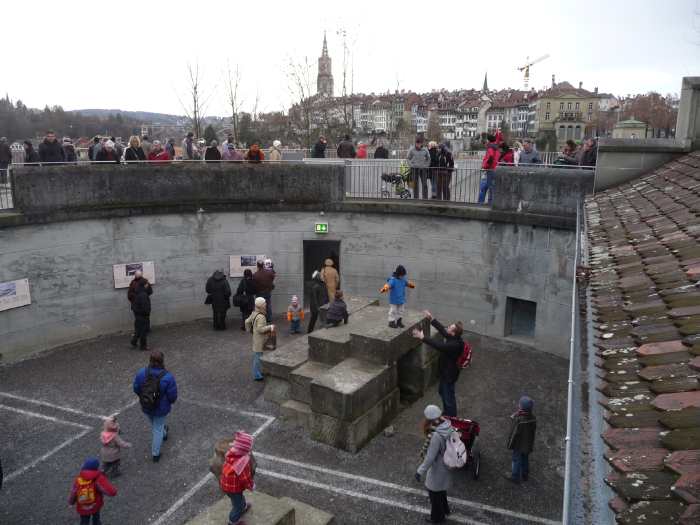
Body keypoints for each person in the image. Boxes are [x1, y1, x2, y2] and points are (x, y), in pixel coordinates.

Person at [412, 311, 464, 417]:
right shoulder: (454, 338)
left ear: (453, 333)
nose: (448, 327)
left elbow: (439, 346)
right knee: (443, 392)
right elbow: (443, 331)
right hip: (447, 372)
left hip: (449, 375)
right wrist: (432, 319)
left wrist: (423, 337)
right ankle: (448, 412)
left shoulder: (454, 345)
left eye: (450, 327)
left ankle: (451, 417)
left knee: (448, 397)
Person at [132, 350, 178, 462]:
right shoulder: (168, 377)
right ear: (162, 361)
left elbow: (136, 388)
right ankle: (155, 454)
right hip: (161, 407)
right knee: (157, 427)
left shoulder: (142, 372)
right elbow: (172, 396)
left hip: (146, 404)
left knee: (154, 423)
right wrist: (169, 402)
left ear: (150, 360)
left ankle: (164, 433)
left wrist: (144, 397)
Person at [415, 405, 453, 524]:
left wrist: (419, 471)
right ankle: (445, 510)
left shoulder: (436, 435)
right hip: (447, 464)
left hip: (438, 467)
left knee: (434, 492)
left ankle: (438, 518)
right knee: (441, 490)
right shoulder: (448, 424)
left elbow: (430, 458)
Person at [68, 457, 117, 525]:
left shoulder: (79, 479)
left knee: (84, 521)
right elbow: (111, 491)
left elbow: (74, 492)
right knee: (96, 518)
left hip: (83, 506)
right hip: (95, 505)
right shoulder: (98, 478)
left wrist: (71, 502)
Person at [219, 431, 255, 525]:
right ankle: (233, 521)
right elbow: (245, 478)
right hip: (233, 488)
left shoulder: (232, 453)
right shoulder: (243, 462)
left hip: (226, 484)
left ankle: (243, 507)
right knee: (237, 506)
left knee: (238, 498)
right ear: (246, 449)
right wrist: (251, 486)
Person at [506, 396, 537, 483]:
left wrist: (509, 444)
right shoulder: (533, 418)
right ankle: (525, 474)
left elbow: (514, 433)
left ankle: (515, 476)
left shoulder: (519, 420)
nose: (518, 405)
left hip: (518, 445)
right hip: (528, 444)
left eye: (519, 404)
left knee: (516, 459)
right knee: (525, 458)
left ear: (522, 407)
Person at [245, 297, 275, 381]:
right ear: (261, 306)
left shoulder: (254, 313)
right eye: (264, 303)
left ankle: (259, 371)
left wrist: (249, 330)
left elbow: (247, 321)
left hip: (256, 338)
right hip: (259, 340)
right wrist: (270, 326)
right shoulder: (261, 316)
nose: (266, 304)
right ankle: (256, 375)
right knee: (258, 357)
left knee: (258, 356)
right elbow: (260, 329)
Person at [128, 270, 153, 350]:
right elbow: (130, 295)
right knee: (142, 330)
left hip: (138, 310)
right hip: (141, 312)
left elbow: (150, 291)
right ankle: (143, 346)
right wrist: (146, 312)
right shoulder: (141, 292)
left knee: (139, 327)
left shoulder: (140, 288)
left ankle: (134, 341)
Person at [478, 134, 500, 204]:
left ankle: (486, 203)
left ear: (489, 140)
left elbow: (490, 158)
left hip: (490, 169)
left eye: (487, 140)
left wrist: (485, 166)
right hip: (494, 168)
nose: (486, 142)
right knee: (491, 188)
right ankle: (490, 202)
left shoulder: (490, 148)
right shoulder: (495, 147)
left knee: (489, 187)